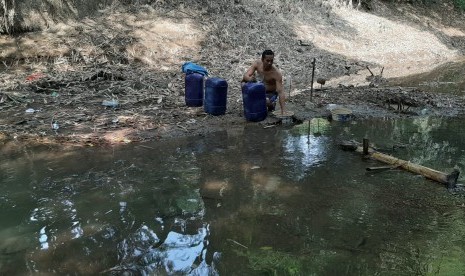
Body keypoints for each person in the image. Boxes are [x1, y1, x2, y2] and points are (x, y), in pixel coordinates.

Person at [242, 50, 285, 114]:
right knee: (243, 83)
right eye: (267, 61)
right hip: (259, 89)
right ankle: (249, 105)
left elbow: (281, 92)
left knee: (266, 101)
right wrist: (250, 79)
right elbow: (245, 76)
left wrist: (283, 111)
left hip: (270, 93)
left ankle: (271, 105)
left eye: (271, 61)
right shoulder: (257, 63)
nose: (270, 63)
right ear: (262, 59)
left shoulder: (276, 73)